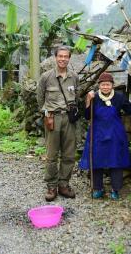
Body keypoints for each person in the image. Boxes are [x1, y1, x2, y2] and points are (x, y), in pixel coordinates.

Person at [79, 71, 131, 200]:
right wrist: (87, 101)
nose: (105, 87)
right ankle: (98, 188)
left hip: (115, 134)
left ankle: (115, 189)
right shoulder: (94, 97)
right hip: (97, 133)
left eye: (108, 84)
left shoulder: (119, 97)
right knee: (96, 160)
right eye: (103, 85)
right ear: (99, 85)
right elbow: (87, 116)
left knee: (115, 160)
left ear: (112, 85)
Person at [37, 45, 79, 202]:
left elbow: (77, 95)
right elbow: (40, 98)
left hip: (69, 119)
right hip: (52, 118)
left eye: (66, 56)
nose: (63, 59)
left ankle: (63, 184)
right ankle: (51, 186)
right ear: (56, 57)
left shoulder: (74, 77)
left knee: (69, 154)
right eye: (60, 56)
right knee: (52, 155)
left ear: (69, 58)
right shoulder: (46, 77)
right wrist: (47, 113)